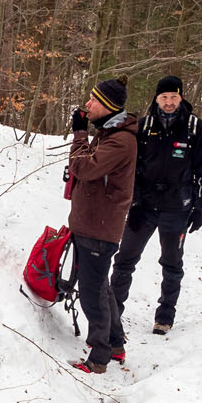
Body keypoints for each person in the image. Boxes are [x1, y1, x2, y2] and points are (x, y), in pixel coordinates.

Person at [110, 75, 202, 351]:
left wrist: (199, 207)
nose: (169, 102)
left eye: (174, 97)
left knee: (171, 264)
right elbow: (127, 166)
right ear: (156, 99)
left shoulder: (193, 127)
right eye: (164, 97)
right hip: (143, 206)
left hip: (176, 208)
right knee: (124, 261)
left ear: (181, 99)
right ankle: (112, 313)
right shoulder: (143, 127)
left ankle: (165, 317)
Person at [65, 78, 139, 374]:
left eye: (93, 101)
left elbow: (83, 167)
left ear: (108, 106)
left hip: (99, 227)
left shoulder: (121, 140)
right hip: (92, 224)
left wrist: (79, 134)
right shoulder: (110, 134)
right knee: (102, 288)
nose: (87, 105)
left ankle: (99, 357)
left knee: (92, 291)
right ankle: (115, 344)